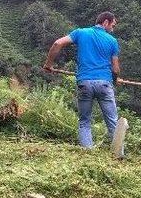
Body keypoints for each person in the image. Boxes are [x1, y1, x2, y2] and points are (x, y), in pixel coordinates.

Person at [43, 12, 120, 149]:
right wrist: (114, 81)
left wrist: (48, 64)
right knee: (113, 121)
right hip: (104, 83)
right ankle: (118, 154)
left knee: (84, 121)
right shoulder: (112, 41)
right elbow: (115, 69)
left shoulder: (81, 33)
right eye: (112, 26)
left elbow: (57, 43)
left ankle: (87, 152)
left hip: (84, 83)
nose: (112, 30)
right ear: (105, 22)